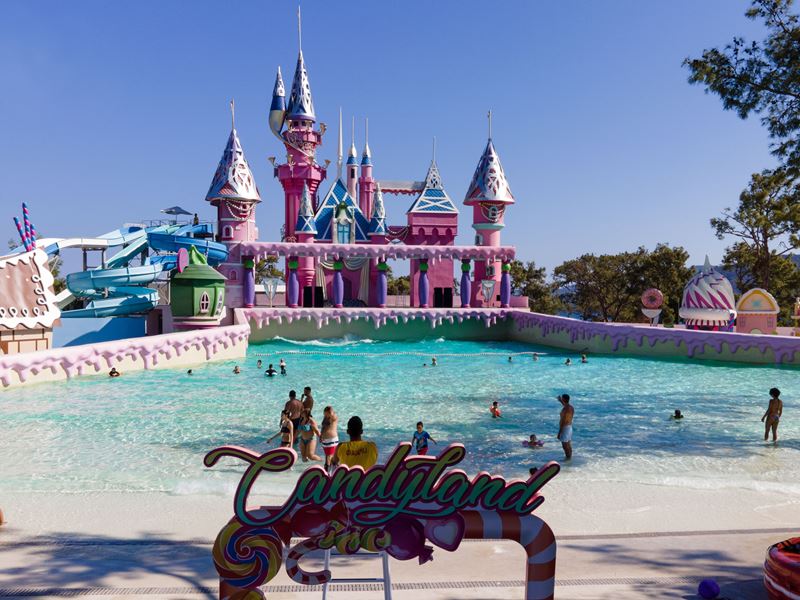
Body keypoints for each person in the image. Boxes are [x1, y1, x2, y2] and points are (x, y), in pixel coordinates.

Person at [320, 406, 339, 471]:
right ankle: (328, 471)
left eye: (326, 414)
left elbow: (329, 422)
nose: (325, 415)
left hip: (332, 439)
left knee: (329, 456)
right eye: (324, 414)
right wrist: (321, 435)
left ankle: (330, 472)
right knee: (327, 456)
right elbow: (323, 427)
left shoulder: (333, 416)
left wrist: (330, 413)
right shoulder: (326, 417)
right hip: (325, 440)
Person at [557, 394, 574, 460]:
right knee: (568, 444)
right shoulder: (571, 407)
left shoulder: (565, 410)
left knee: (565, 445)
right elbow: (565, 405)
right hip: (569, 427)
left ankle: (567, 459)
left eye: (562, 398)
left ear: (564, 399)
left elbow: (563, 422)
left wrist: (559, 433)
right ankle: (569, 459)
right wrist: (560, 401)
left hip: (565, 428)